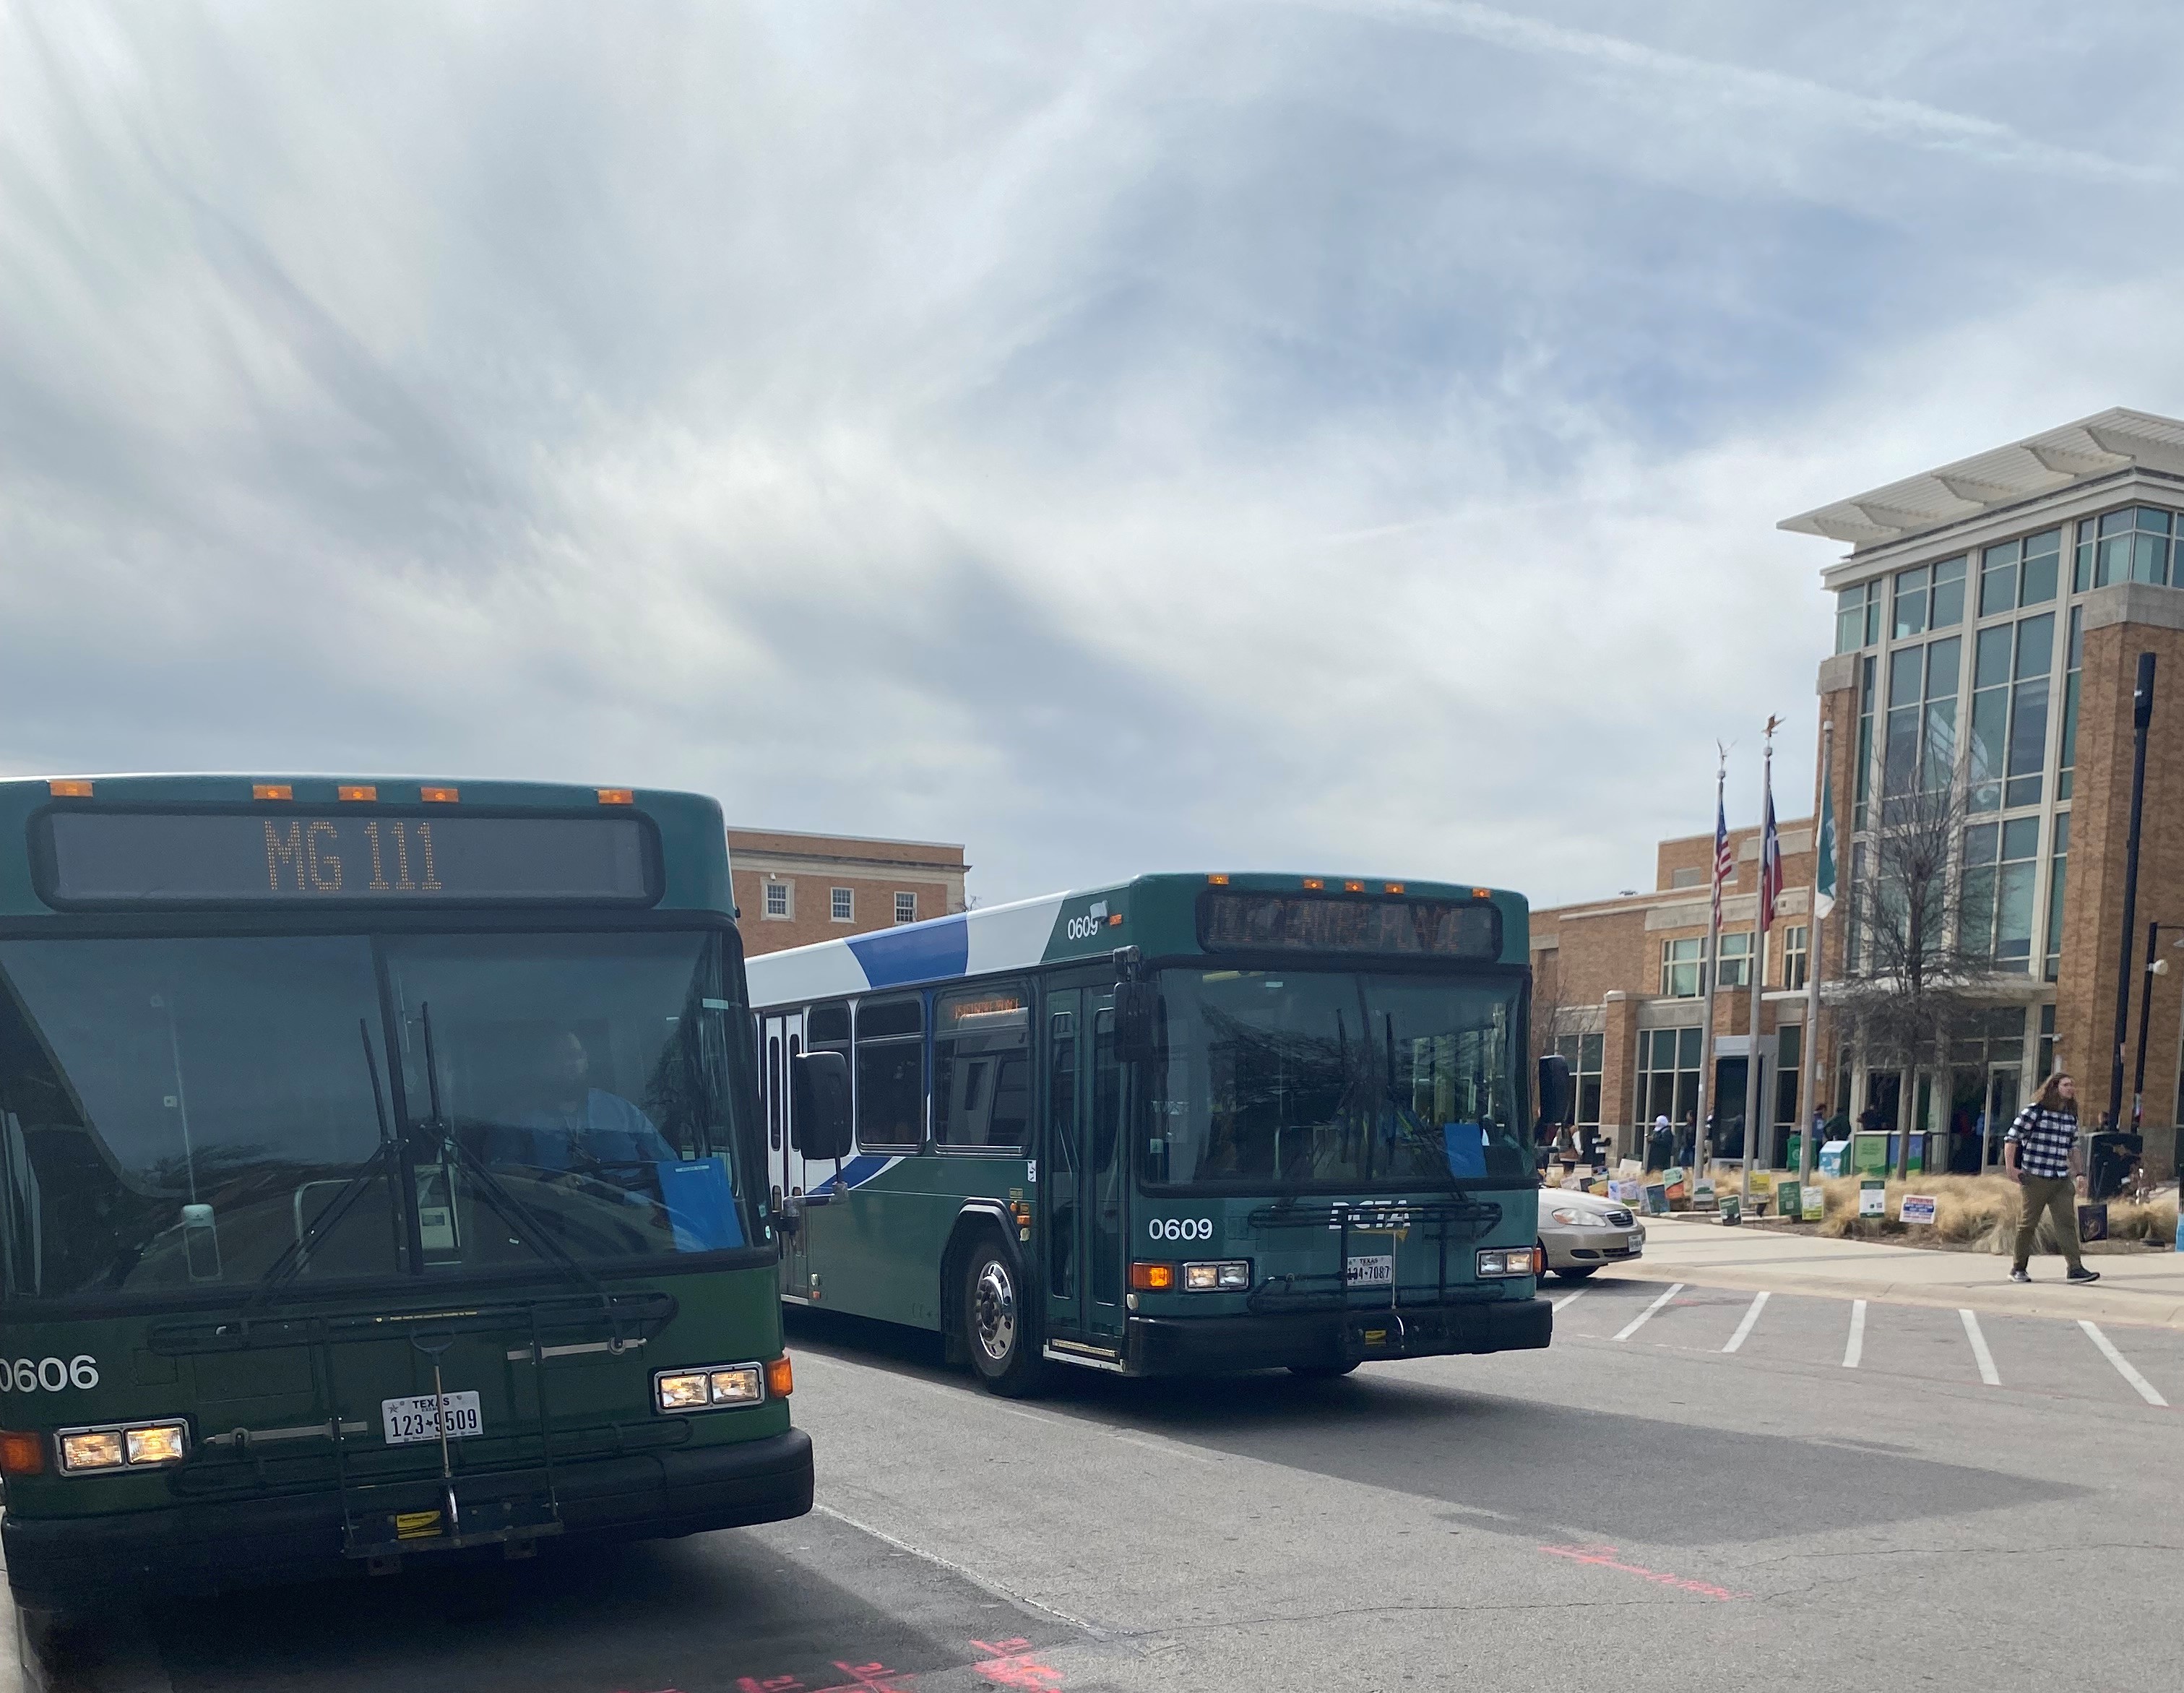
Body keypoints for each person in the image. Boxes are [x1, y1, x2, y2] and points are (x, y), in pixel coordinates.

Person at [488, 1030, 678, 1181]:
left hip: (636, 1216)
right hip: (559, 1222)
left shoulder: (622, 1111)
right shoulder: (516, 1120)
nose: (568, 1064)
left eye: (574, 1055)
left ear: (586, 1060)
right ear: (541, 1066)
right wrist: (546, 1182)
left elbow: (670, 1166)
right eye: (557, 1058)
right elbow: (501, 1174)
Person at [2003, 1072, 2098, 1285]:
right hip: (2036, 1178)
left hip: (2061, 1179)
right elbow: (2012, 1139)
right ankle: (2018, 1268)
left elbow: (2073, 1148)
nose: (2071, 1088)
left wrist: (2080, 1174)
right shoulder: (2034, 1112)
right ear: (2054, 1087)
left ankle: (2075, 1268)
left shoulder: (2070, 1116)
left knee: (2066, 1223)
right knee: (2028, 1224)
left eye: (2072, 1085)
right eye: (2066, 1085)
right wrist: (2011, 1169)